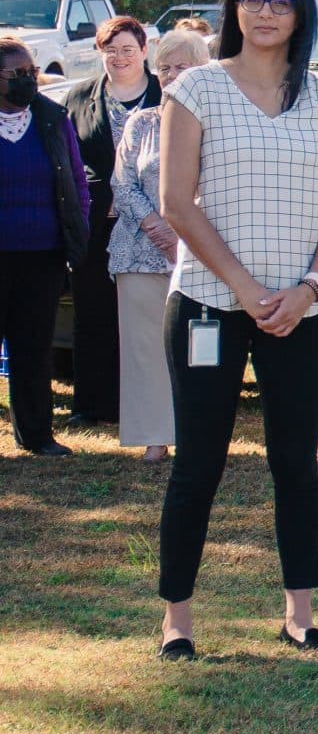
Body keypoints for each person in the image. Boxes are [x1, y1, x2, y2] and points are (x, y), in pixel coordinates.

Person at [153, 0, 318, 657]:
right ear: (233, 9)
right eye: (251, 0)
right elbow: (177, 203)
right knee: (198, 463)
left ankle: (299, 614)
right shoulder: (197, 90)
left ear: (300, 11)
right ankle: (177, 622)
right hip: (211, 306)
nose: (264, 12)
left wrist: (307, 291)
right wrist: (246, 291)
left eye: (279, 1)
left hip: (300, 313)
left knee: (296, 463)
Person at [112, 30, 212, 463]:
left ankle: (199, 434)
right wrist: (158, 228)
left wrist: (184, 235)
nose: (171, 75)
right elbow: (123, 183)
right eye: (165, 67)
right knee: (144, 348)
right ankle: (154, 435)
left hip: (201, 253)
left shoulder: (220, 122)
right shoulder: (142, 121)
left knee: (198, 350)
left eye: (182, 66)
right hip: (138, 251)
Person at [62, 14, 157, 433]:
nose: (119, 58)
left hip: (156, 223)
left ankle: (143, 401)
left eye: (127, 50)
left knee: (146, 317)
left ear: (144, 51)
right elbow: (69, 157)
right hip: (98, 221)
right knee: (94, 312)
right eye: (110, 50)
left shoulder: (165, 92)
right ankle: (89, 403)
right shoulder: (80, 96)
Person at [0, 34, 91, 457]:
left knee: (33, 347)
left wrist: (78, 229)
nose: (28, 80)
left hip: (44, 255)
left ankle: (36, 435)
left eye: (31, 72)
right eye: (17, 74)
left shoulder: (52, 118)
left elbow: (76, 181)